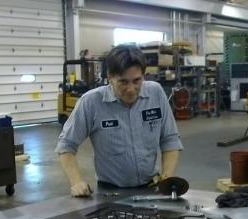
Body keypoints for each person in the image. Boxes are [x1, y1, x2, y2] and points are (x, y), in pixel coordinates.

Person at [55, 45, 183, 197]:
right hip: (110, 193)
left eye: (137, 80)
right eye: (123, 82)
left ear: (144, 75)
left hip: (152, 188)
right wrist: (76, 182)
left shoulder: (156, 93)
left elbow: (170, 139)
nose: (130, 89)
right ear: (109, 77)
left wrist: (166, 177)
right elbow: (66, 145)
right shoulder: (91, 102)